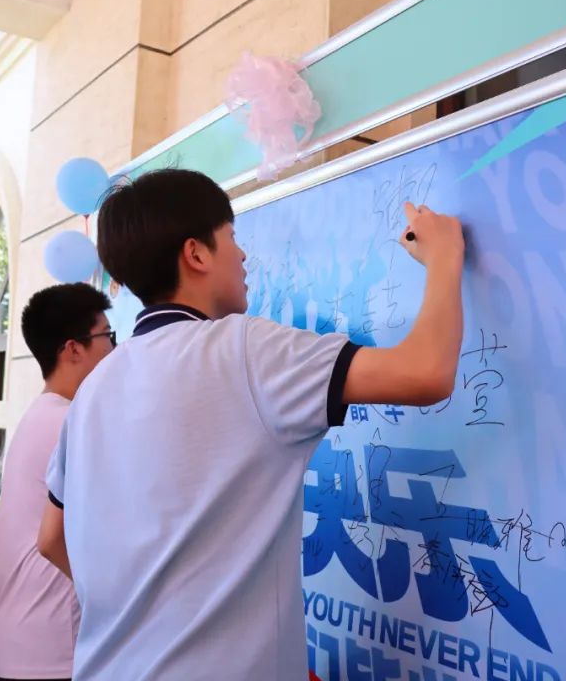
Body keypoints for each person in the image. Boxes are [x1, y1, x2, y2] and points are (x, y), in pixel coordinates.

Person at [40, 169, 465, 678]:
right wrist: (444, 256)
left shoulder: (93, 388)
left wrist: (141, 607)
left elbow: (51, 538)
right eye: (231, 237)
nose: (242, 256)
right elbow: (425, 372)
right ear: (196, 254)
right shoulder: (243, 350)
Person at [0, 283, 114, 681]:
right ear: (73, 349)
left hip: (22, 643)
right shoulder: (68, 421)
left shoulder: (43, 414)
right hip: (51, 648)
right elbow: (51, 540)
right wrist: (112, 598)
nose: (116, 349)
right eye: (108, 336)